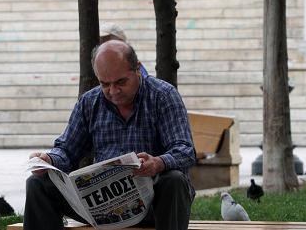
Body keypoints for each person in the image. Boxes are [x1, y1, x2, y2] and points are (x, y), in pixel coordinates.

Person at [24, 40, 196, 230]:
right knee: (37, 183)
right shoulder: (90, 102)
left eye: (121, 82)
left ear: (137, 69)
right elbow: (67, 150)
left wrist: (157, 163)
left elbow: (185, 151)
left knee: (174, 180)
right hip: (101, 206)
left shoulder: (163, 96)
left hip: (152, 204)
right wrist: (48, 159)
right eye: (105, 84)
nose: (113, 91)